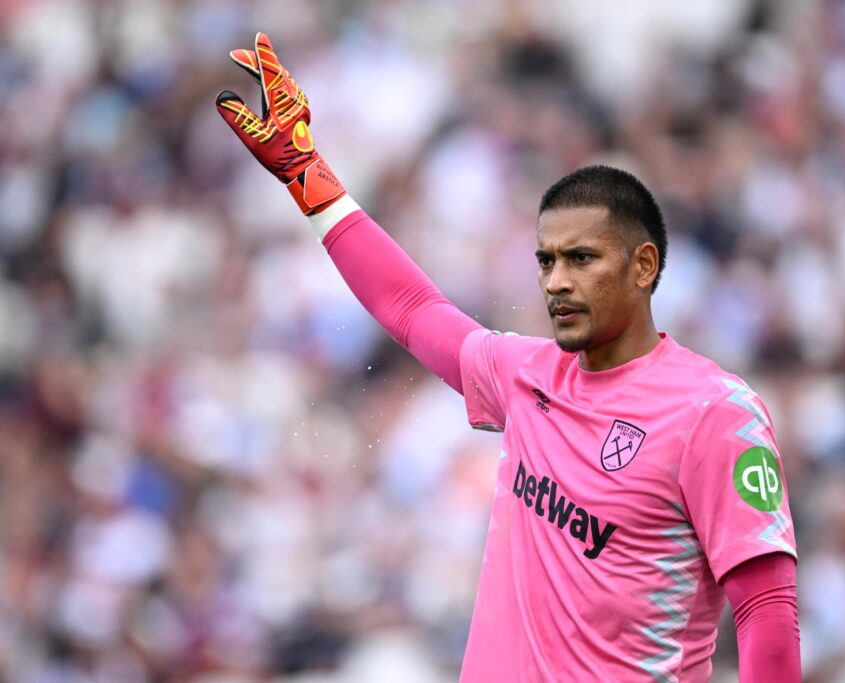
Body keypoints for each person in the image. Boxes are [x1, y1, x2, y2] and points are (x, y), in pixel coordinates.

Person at [217, 33, 801, 683]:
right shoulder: (526, 375)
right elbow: (412, 308)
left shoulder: (714, 413)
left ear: (643, 266)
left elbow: (767, 609)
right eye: (547, 261)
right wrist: (307, 176)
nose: (556, 281)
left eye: (582, 258)